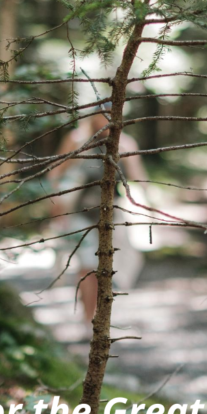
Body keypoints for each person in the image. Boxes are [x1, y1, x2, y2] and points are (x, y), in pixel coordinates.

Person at [49, 106, 145, 321]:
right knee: (86, 268)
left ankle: (100, 319)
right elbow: (56, 173)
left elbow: (140, 180)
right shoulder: (77, 140)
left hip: (112, 215)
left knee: (108, 270)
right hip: (78, 213)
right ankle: (87, 319)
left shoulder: (126, 144)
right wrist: (57, 204)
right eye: (101, 116)